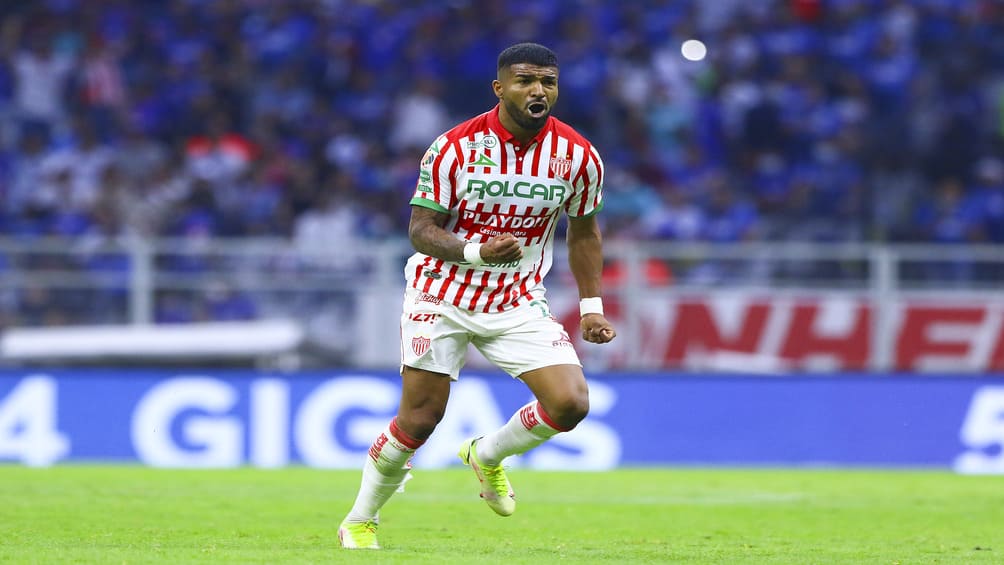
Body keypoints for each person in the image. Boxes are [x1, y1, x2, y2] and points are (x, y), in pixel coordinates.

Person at [338, 42, 617, 550]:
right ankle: (360, 519)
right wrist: (475, 251)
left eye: (548, 82)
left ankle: (486, 454)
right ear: (500, 87)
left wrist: (593, 307)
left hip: (516, 298)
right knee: (420, 419)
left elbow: (584, 233)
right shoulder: (454, 147)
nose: (538, 90)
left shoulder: (577, 156)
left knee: (571, 403)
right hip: (439, 293)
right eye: (525, 80)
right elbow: (421, 230)